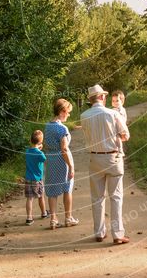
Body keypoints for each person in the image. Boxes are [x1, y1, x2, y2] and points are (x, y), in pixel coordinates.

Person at [80, 84, 130, 244]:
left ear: (91, 99)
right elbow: (125, 135)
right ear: (101, 97)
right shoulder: (113, 114)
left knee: (97, 198)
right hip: (113, 158)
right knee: (115, 197)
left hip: (94, 158)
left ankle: (99, 232)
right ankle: (117, 234)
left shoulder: (84, 116)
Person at [44, 99, 79, 229]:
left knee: (52, 191)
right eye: (68, 112)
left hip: (51, 160)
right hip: (62, 161)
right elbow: (64, 149)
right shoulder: (61, 128)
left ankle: (53, 219)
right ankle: (68, 218)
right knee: (67, 189)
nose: (68, 115)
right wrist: (70, 166)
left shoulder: (47, 126)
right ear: (62, 111)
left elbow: (46, 145)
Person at [24, 130, 49, 225]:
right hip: (37, 179)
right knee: (41, 196)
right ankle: (43, 213)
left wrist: (37, 147)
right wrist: (40, 149)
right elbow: (44, 159)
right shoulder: (40, 153)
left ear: (30, 140)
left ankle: (29, 218)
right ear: (41, 142)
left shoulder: (27, 152)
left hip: (28, 178)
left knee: (29, 198)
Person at [111, 90, 128, 155]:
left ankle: (120, 150)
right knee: (114, 137)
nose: (115, 102)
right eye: (113, 101)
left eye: (117, 101)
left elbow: (121, 118)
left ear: (122, 101)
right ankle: (115, 148)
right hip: (115, 126)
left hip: (120, 127)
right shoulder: (113, 109)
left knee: (118, 137)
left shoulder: (121, 109)